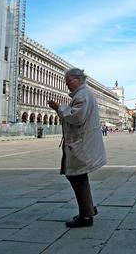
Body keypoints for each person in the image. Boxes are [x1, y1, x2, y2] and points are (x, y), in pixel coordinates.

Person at [48, 68, 107, 228]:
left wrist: (58, 108)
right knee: (78, 176)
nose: (66, 84)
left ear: (78, 79)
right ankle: (88, 209)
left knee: (76, 176)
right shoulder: (84, 94)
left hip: (81, 143)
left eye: (69, 81)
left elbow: (77, 117)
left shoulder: (83, 95)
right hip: (81, 142)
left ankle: (86, 216)